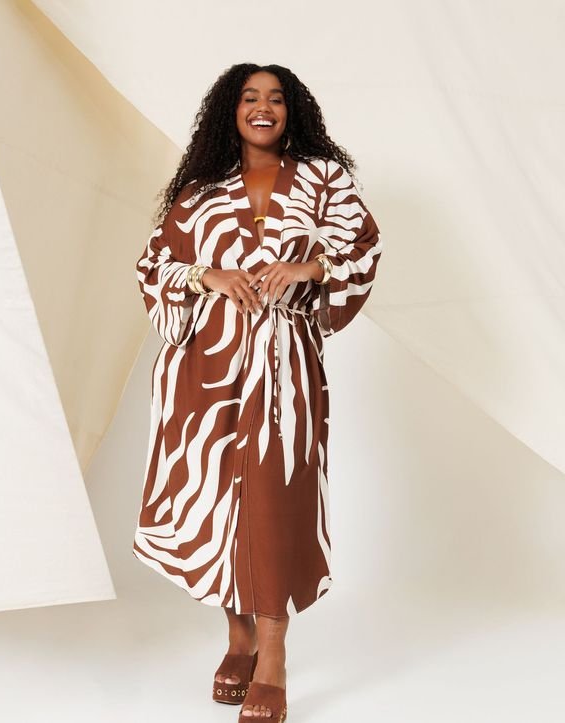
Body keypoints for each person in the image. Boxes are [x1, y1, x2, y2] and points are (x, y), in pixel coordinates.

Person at [133, 62, 383, 721]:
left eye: (276, 98)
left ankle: (272, 656)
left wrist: (309, 266)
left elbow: (364, 247)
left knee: (274, 501)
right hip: (205, 370)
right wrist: (207, 275)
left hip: (284, 374)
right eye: (250, 97)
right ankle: (238, 638)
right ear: (231, 110)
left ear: (292, 110)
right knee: (219, 499)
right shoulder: (201, 191)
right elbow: (154, 265)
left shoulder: (323, 181)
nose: (263, 107)